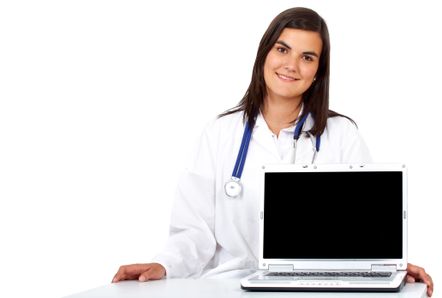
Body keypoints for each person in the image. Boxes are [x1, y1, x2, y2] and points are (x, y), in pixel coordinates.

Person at [112, 7, 434, 296]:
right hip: (232, 287)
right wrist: (164, 265)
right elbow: (194, 232)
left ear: (319, 71)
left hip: (319, 290)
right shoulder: (221, 133)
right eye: (283, 49)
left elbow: (365, 229)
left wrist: (393, 267)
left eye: (307, 57)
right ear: (265, 53)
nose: (291, 65)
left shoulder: (342, 135)